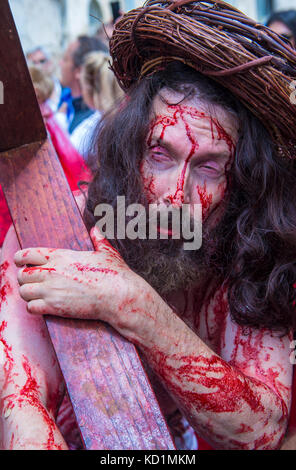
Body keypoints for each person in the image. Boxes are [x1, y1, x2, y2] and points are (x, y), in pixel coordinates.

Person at [1, 0, 296, 450]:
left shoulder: (246, 253)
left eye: (209, 168)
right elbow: (21, 403)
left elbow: (262, 431)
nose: (175, 196)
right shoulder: (55, 229)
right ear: (129, 148)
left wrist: (135, 305)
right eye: (160, 155)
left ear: (240, 183)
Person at [70, 51, 124, 162]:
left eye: (82, 84)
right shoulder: (132, 115)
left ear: (89, 89)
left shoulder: (90, 130)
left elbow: (70, 159)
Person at [58, 35, 109, 140]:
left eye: (65, 59)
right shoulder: (63, 99)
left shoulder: (94, 122)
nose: (60, 63)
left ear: (79, 71)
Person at [26, 46, 63, 113]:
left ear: (50, 62)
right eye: (34, 63)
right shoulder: (28, 91)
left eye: (42, 61)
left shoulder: (63, 86)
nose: (38, 66)